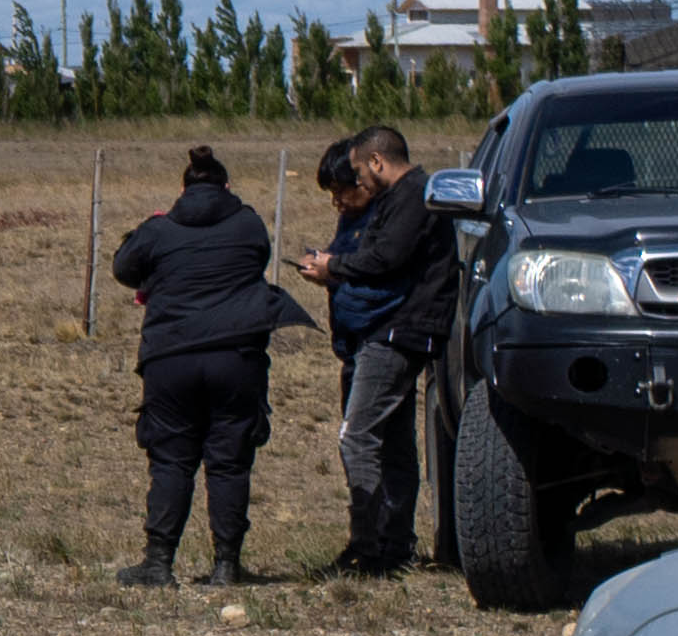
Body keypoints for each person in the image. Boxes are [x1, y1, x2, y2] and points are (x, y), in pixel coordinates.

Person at [110, 139, 308, 588]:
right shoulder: (249, 223)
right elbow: (260, 256)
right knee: (230, 461)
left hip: (171, 359)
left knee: (172, 460)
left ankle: (159, 563)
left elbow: (123, 268)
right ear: (227, 185)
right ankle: (226, 564)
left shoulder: (159, 230)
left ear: (181, 192)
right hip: (235, 357)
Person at [295, 123, 454, 577]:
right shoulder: (402, 199)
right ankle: (393, 544)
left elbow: (383, 260)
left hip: (396, 333)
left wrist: (334, 268)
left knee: (357, 436)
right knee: (394, 443)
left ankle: (367, 546)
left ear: (377, 162)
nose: (358, 184)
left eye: (360, 174)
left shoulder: (412, 198)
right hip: (395, 334)